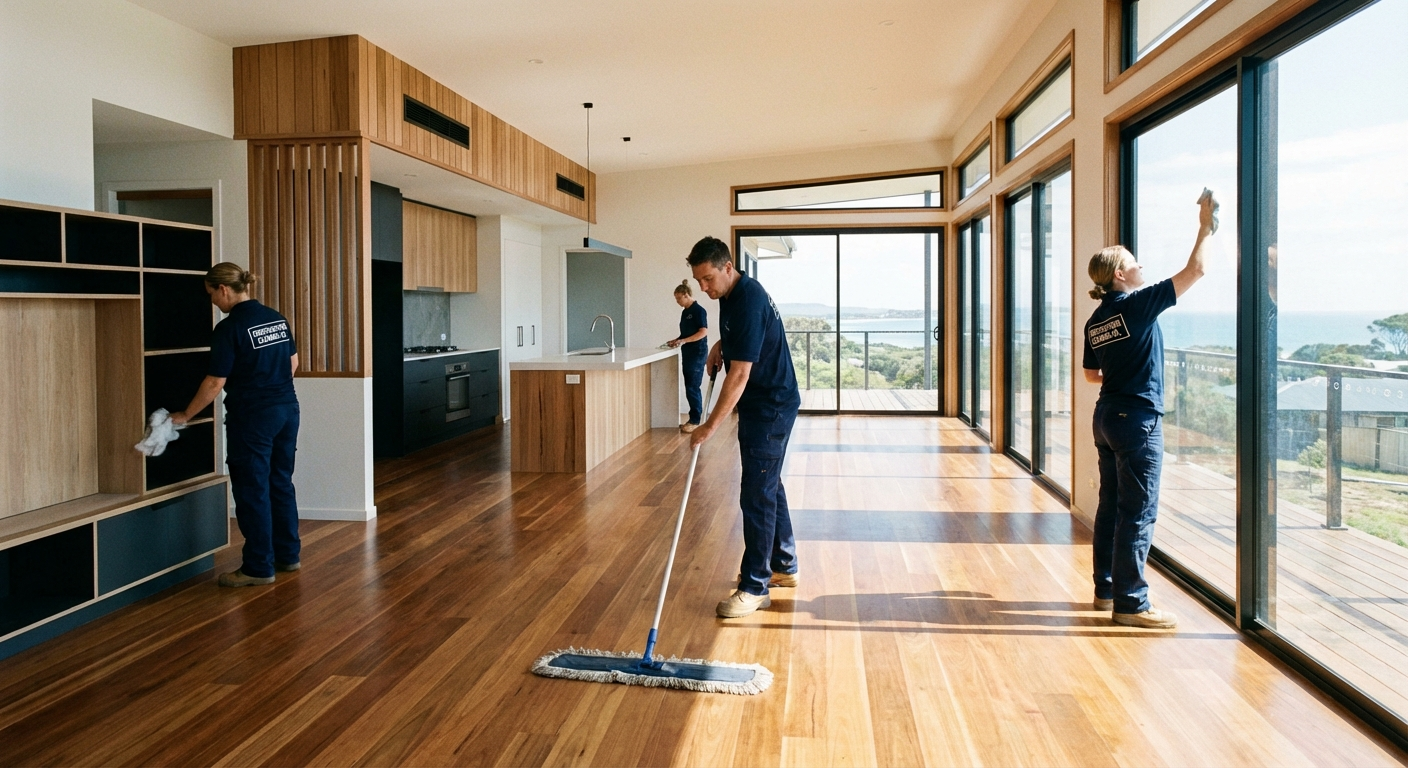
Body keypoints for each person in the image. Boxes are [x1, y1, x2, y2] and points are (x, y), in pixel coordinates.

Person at [1081, 191, 1217, 629]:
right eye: (1136, 264)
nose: (1143, 269)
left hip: (1105, 418)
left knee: (1111, 506)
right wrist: (1205, 226)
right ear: (1121, 275)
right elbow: (1195, 270)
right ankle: (1132, 605)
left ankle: (1106, 591)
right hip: (1136, 420)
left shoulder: (1096, 320)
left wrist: (1123, 374)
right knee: (1137, 511)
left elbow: (1090, 375)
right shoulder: (1138, 305)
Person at [685, 236, 802, 618]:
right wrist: (722, 343)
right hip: (765, 402)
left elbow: (738, 377)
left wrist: (708, 426)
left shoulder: (748, 298)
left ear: (727, 267)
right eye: (698, 281)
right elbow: (748, 340)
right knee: (768, 483)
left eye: (707, 279)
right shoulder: (734, 294)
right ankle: (783, 565)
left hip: (769, 405)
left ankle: (755, 586)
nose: (703, 288)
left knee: (756, 492)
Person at [171, 263, 302, 588]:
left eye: (212, 294)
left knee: (252, 489)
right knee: (280, 482)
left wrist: (185, 415)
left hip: (253, 417)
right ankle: (288, 556)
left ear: (224, 289)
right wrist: (273, 390)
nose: (213, 301)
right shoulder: (276, 318)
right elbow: (293, 363)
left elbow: (216, 382)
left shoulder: (229, 329)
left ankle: (258, 567)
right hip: (287, 409)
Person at [665, 280, 709, 434]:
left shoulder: (699, 311)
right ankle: (693, 418)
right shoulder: (685, 312)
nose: (677, 302)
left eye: (679, 298)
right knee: (689, 386)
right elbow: (686, 334)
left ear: (686, 295)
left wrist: (683, 340)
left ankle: (696, 420)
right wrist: (677, 340)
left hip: (697, 353)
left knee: (692, 387)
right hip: (688, 353)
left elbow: (703, 331)